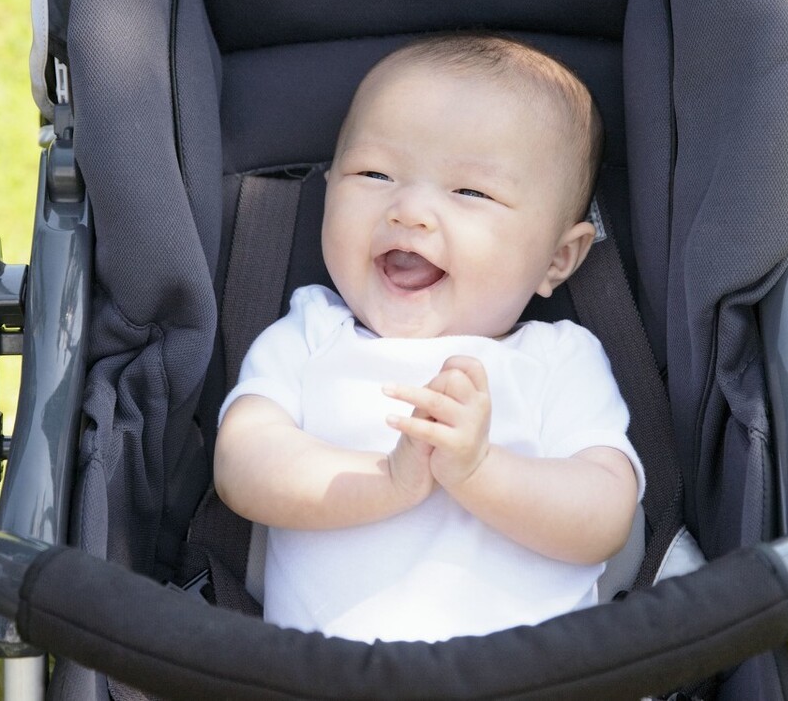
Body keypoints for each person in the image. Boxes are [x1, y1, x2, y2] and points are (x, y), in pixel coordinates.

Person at [214, 34, 644, 643]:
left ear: (558, 257)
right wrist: (386, 482)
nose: (409, 209)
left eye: (470, 192)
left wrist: (480, 470)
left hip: (527, 681)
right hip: (325, 679)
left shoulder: (558, 360)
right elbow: (242, 465)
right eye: (374, 173)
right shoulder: (311, 335)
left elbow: (604, 517)